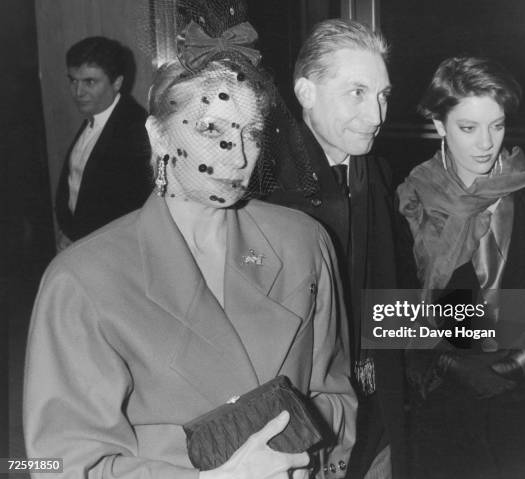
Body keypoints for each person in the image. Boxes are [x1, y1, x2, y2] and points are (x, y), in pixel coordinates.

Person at [24, 14, 356, 479]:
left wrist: (308, 460)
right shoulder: (81, 280)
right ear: (159, 136)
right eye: (209, 130)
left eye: (252, 133)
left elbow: (335, 395)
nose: (238, 156)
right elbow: (58, 465)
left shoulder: (303, 241)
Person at [397, 56, 525, 479]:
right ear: (439, 124)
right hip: (438, 403)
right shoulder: (408, 198)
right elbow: (390, 302)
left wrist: (518, 363)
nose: (486, 143)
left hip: (523, 398)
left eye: (497, 125)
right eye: (468, 128)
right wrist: (451, 364)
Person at [265, 19, 407, 479]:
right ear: (306, 92)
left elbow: (399, 286)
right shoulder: (262, 182)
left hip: (377, 409)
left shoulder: (379, 172)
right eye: (357, 93)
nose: (377, 115)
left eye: (383, 94)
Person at [55, 36, 151, 249]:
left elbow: (136, 211)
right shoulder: (97, 117)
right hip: (80, 244)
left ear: (117, 82)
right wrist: (68, 232)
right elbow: (76, 186)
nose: (78, 92)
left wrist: (82, 242)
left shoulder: (135, 130)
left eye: (90, 82)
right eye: (73, 80)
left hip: (110, 252)